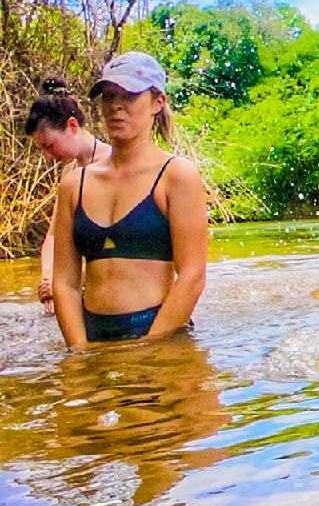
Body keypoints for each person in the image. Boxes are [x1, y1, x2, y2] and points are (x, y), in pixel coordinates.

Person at [47, 52, 208, 346]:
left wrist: (149, 349)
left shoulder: (177, 177)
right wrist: (79, 354)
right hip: (92, 336)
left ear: (158, 103)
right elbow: (65, 283)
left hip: (160, 334)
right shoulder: (74, 184)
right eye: (108, 96)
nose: (115, 106)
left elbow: (192, 277)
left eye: (129, 96)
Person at [20, 79, 112, 313]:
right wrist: (49, 279)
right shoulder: (69, 171)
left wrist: (63, 282)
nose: (49, 157)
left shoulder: (114, 164)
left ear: (72, 126)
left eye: (50, 146)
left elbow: (114, 247)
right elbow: (54, 235)